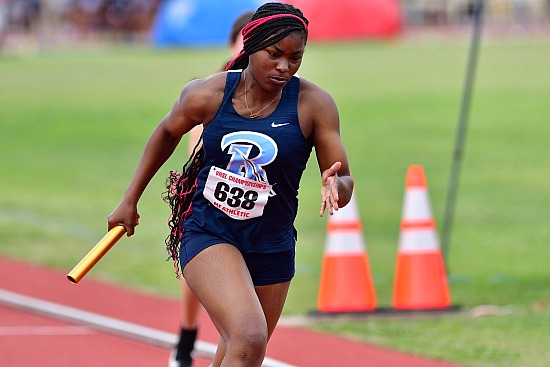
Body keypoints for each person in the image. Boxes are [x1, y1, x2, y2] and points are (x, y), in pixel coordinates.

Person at [108, 3, 354, 366]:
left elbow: (344, 177)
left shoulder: (314, 105)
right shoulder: (206, 94)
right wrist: (129, 200)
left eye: (295, 57)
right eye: (274, 55)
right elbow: (165, 132)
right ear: (250, 45)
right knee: (249, 335)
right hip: (209, 231)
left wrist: (337, 185)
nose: (285, 66)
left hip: (272, 243)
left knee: (240, 351)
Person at [169, 10, 254, 367]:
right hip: (207, 204)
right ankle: (187, 336)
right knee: (200, 274)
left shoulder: (278, 93)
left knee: (241, 315)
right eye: (245, 41)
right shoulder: (211, 88)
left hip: (254, 210)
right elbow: (191, 149)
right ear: (232, 43)